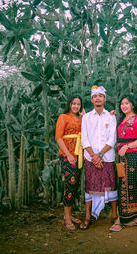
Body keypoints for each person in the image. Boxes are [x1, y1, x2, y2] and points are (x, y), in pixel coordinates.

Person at [80, 85, 118, 230]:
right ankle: (88, 217)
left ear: (104, 99)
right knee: (90, 187)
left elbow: (112, 139)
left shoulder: (111, 117)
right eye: (95, 96)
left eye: (100, 96)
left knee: (110, 186)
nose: (98, 98)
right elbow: (85, 139)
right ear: (91, 100)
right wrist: (93, 157)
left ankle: (115, 215)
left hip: (107, 158)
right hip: (90, 159)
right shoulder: (86, 118)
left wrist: (100, 155)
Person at [110, 94, 137, 232]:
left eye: (127, 103)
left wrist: (127, 146)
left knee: (127, 186)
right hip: (124, 157)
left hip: (134, 156)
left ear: (133, 104)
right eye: (122, 104)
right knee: (128, 186)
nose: (124, 106)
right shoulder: (122, 119)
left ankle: (122, 219)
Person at [55, 94, 85, 231]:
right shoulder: (63, 117)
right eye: (73, 103)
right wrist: (68, 155)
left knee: (75, 185)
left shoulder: (81, 119)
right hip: (68, 155)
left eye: (78, 104)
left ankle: (70, 214)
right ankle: (66, 217)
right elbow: (59, 138)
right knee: (69, 184)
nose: (76, 106)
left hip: (79, 155)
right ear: (69, 104)